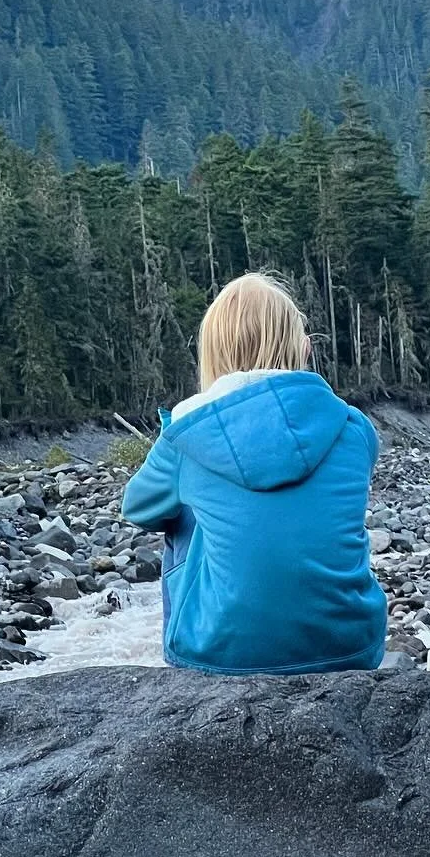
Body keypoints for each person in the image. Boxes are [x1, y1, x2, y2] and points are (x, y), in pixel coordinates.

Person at [121, 271, 387, 674]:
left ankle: (211, 636)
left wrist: (172, 444)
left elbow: (139, 508)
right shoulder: (354, 427)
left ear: (211, 354)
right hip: (350, 648)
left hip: (221, 655)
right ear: (304, 349)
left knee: (183, 513)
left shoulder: (188, 434)